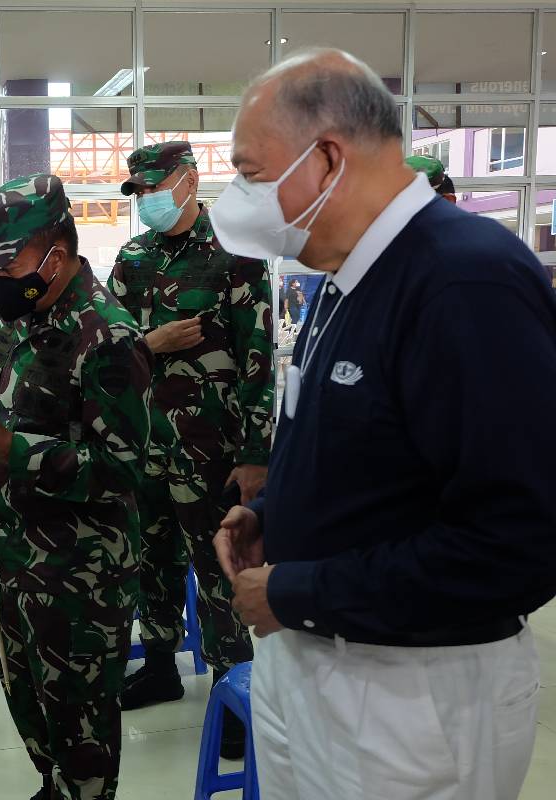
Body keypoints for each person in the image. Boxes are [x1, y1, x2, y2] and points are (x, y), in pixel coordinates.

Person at [211, 48, 556, 800]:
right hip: (315, 665)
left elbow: (519, 545)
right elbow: (357, 447)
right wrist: (270, 515)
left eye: (250, 172)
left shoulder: (463, 284)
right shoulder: (344, 277)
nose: (237, 197)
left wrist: (301, 591)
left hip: (410, 697)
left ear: (328, 158)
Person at [0, 174, 153, 800]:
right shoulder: (21, 321)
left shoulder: (107, 337)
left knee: (81, 723)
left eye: (7, 265)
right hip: (14, 554)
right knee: (29, 700)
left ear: (55, 257)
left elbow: (120, 469)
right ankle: (54, 781)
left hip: (79, 574)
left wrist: (7, 452)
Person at [108, 142, 274, 759]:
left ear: (189, 181)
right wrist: (152, 342)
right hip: (144, 446)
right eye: (139, 190)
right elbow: (108, 355)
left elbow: (258, 358)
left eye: (156, 186)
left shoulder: (235, 254)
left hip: (214, 450)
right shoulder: (132, 259)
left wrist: (256, 452)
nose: (147, 199)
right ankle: (158, 664)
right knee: (148, 561)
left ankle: (233, 688)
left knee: (217, 568)